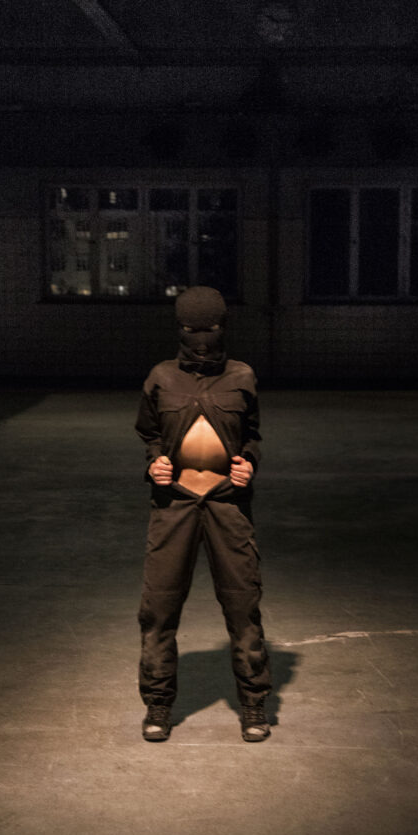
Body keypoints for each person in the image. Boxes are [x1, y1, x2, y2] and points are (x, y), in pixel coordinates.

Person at [135, 285, 271, 742]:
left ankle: (253, 704)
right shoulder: (161, 377)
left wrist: (248, 463)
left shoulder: (241, 376)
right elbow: (149, 433)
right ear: (179, 329)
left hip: (227, 502)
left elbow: (252, 435)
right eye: (191, 330)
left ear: (223, 327)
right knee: (159, 607)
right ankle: (158, 703)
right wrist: (154, 462)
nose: (201, 339)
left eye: (209, 329)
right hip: (174, 503)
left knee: (242, 605)